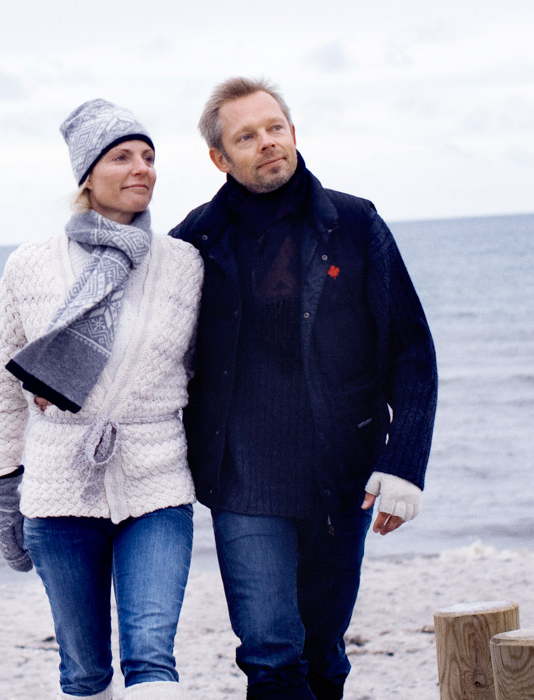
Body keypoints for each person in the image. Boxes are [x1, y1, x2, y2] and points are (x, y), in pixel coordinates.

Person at [168, 77, 438, 700]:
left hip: (341, 475)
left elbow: (412, 351)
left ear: (292, 132)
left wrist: (404, 466)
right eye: (246, 136)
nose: (266, 143)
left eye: (274, 128)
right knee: (270, 657)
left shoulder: (353, 222)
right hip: (242, 480)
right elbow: (150, 351)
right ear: (220, 157)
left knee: (324, 656)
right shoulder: (193, 242)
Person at [0, 98, 202, 700]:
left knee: (153, 659)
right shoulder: (30, 266)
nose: (142, 168)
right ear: (87, 174)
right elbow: (2, 384)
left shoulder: (183, 264)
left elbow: (205, 374)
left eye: (149, 157)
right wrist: (3, 486)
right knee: (83, 673)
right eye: (122, 156)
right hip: (58, 490)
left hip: (157, 484)